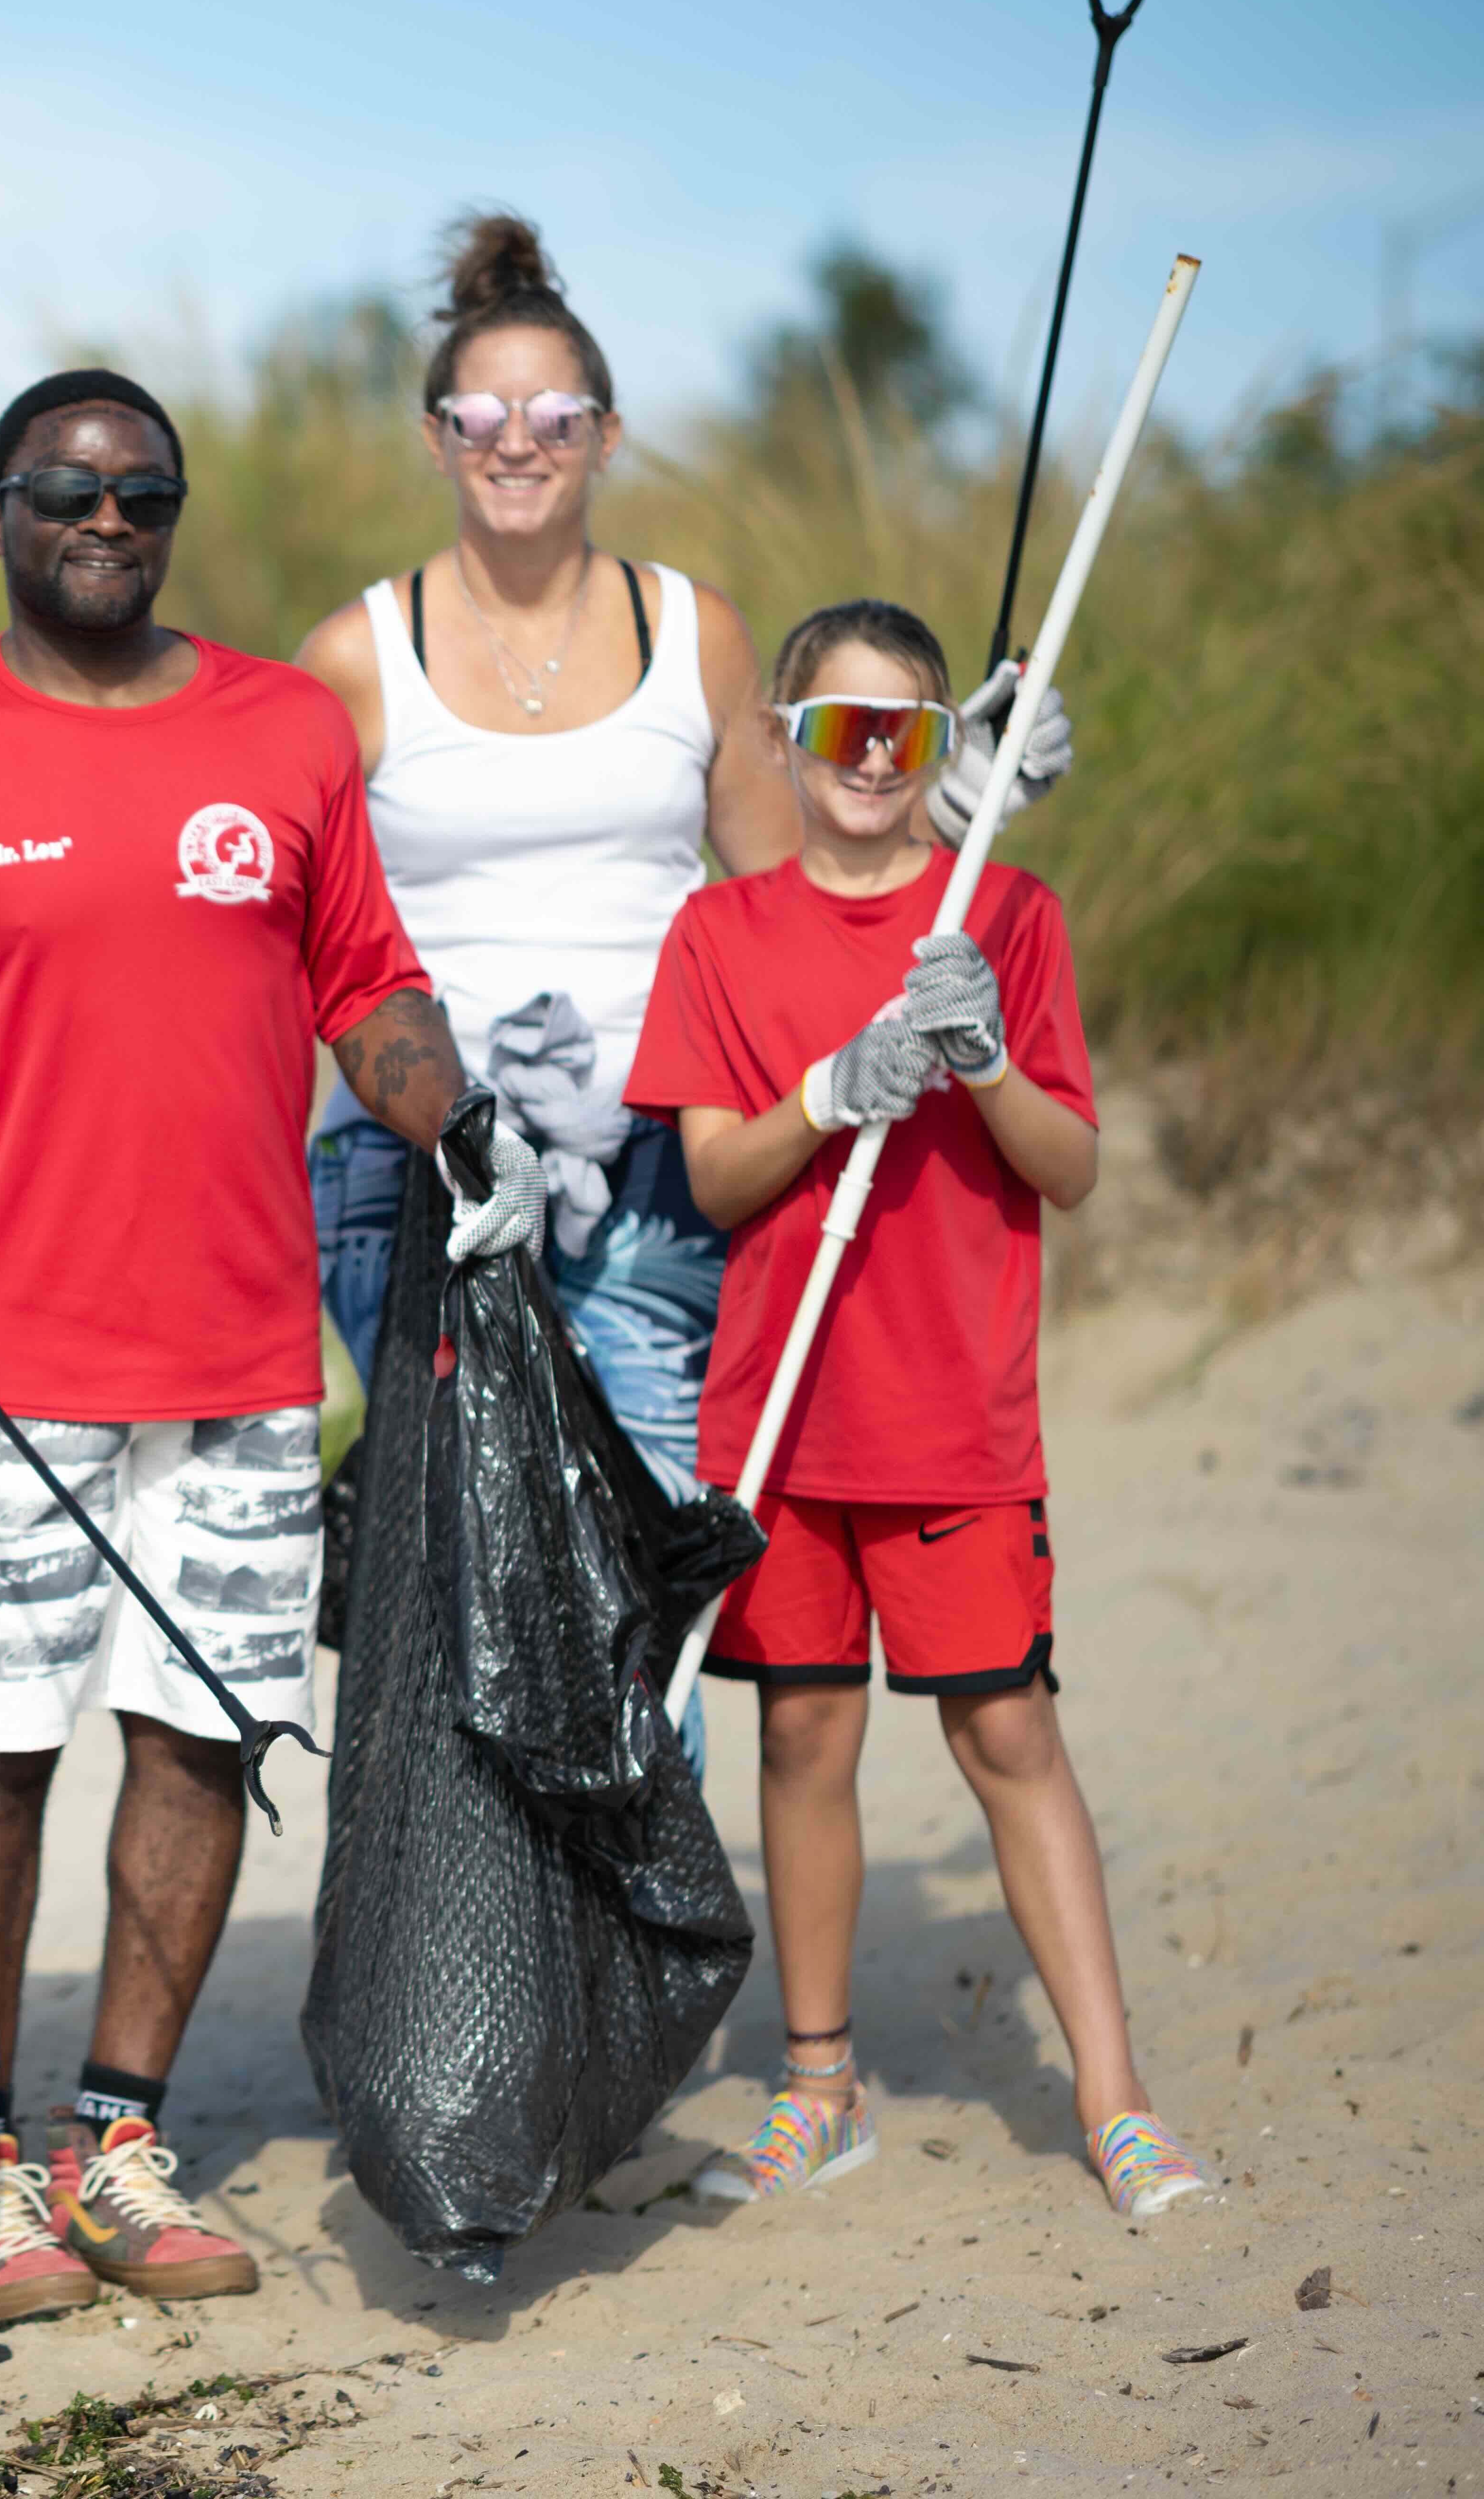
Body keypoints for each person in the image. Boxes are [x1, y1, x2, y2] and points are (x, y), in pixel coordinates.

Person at [0, 369, 544, 2325]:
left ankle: (112, 2135)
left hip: (238, 1345)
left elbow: (362, 976)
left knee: (197, 1724)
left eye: (142, 493)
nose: (105, 519)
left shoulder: (281, 729)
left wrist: (453, 1118)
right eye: (64, 489)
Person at [291, 212, 1073, 1510]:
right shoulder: (350, 656)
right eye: (480, 415)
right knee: (452, 1551)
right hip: (411, 1163)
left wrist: (951, 803)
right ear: (435, 437)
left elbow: (797, 910)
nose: (517, 441)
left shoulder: (693, 631)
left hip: (652, 1153)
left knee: (644, 1536)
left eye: (555, 413)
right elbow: (306, 951)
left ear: (607, 433)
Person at [622, 598, 1202, 2221]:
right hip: (783, 1419)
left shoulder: (1002, 910)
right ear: (781, 743)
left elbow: (1068, 1165)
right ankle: (819, 2087)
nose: (869, 760)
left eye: (906, 732)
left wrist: (983, 1059)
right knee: (802, 1734)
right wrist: (828, 1091)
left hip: (953, 1410)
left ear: (949, 750)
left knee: (1005, 1729)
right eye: (835, 729)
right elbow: (714, 1172)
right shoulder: (718, 937)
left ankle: (1113, 2100)